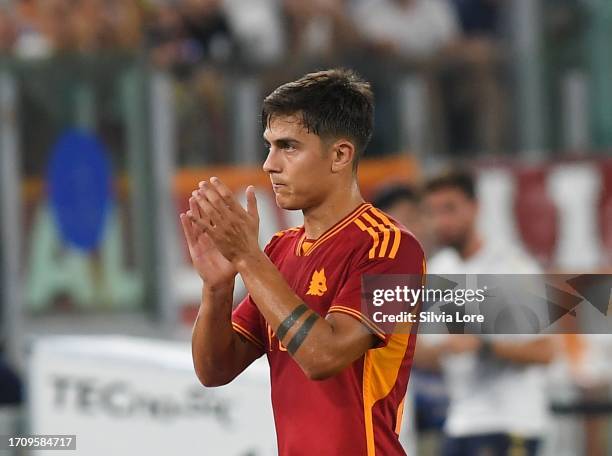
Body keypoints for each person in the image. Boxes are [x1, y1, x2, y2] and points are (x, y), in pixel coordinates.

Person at [181, 69, 425, 455]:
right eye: (269, 146)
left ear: (340, 155)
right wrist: (217, 286)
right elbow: (214, 370)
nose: (269, 164)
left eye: (288, 147)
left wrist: (247, 256)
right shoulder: (278, 252)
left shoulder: (392, 249)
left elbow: (323, 356)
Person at [412, 170, 555, 456]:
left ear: (475, 208)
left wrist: (482, 345)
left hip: (510, 423)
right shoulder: (439, 270)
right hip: (460, 423)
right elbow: (433, 351)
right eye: (433, 212)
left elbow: (545, 351)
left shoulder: (511, 267)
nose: (441, 221)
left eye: (449, 209)